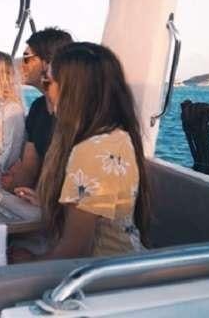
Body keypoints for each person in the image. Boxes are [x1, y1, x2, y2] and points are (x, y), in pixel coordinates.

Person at [14, 42, 152, 259]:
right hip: (126, 263)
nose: (46, 91)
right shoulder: (117, 137)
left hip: (101, 277)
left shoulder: (91, 152)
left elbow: (74, 251)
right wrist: (51, 203)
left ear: (72, 91)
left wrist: (27, 261)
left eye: (48, 82)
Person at [10, 27, 73, 190]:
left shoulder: (77, 113)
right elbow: (29, 170)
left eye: (27, 58)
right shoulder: (38, 108)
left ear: (49, 62)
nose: (21, 65)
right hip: (39, 199)